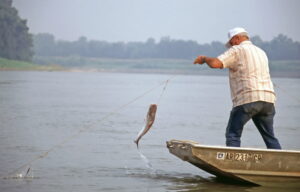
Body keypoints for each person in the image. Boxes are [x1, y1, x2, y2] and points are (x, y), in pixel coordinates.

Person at [193, 27, 281, 149]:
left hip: (248, 98)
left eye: (231, 42)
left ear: (236, 38)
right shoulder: (261, 52)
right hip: (268, 100)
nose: (231, 45)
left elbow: (215, 64)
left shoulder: (237, 50)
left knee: (233, 134)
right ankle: (279, 163)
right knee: (270, 137)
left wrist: (204, 59)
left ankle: (232, 163)